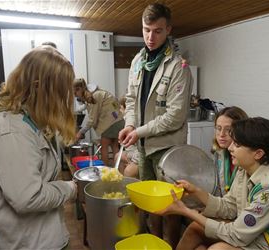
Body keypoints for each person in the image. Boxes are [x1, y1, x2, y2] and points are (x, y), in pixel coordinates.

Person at [0, 45, 77, 250]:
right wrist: (70, 188)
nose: (64, 100)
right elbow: (28, 198)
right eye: (61, 92)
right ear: (38, 87)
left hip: (43, 236)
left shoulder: (28, 122)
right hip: (31, 243)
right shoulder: (10, 133)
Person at [156, 117, 269, 250]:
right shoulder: (244, 170)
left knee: (217, 249)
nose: (229, 148)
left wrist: (187, 211)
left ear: (258, 153)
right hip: (256, 230)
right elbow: (229, 207)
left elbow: (238, 235)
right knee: (196, 228)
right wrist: (196, 191)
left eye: (236, 145)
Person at [118, 3, 193, 248]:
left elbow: (175, 116)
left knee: (169, 206)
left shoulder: (179, 67)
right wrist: (130, 125)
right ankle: (153, 242)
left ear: (168, 29)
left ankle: (170, 245)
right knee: (149, 202)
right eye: (146, 30)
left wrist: (138, 131)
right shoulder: (138, 60)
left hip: (167, 148)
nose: (151, 37)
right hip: (143, 146)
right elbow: (130, 100)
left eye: (158, 31)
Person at [74, 78, 124, 166]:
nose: (76, 96)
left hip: (110, 122)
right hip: (118, 120)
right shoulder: (96, 93)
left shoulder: (94, 96)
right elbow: (85, 106)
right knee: (115, 147)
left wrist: (81, 132)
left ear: (79, 89)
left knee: (103, 147)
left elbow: (92, 120)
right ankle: (118, 172)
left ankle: (105, 173)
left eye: (75, 93)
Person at [212, 106, 248, 197]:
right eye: (218, 128)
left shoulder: (248, 160)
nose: (221, 134)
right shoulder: (218, 153)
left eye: (228, 130)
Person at [115, 96, 139, 178]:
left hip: (137, 153)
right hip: (132, 152)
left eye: (121, 108)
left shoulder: (135, 121)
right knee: (117, 156)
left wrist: (131, 160)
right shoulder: (128, 121)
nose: (120, 111)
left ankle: (127, 182)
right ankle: (120, 180)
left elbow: (137, 147)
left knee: (128, 172)